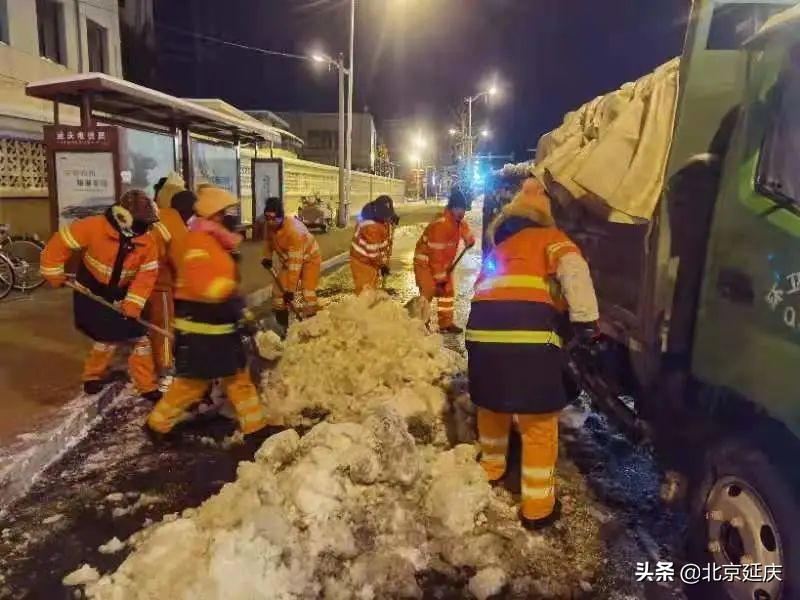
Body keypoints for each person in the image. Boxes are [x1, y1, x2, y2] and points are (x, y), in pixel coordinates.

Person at [465, 177, 599, 529]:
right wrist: (585, 321)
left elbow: (481, 291)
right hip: (528, 339)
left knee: (492, 407)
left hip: (480, 337)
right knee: (537, 421)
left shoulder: (498, 250)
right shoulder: (550, 238)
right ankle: (537, 507)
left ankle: (491, 467)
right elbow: (574, 270)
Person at [146, 186, 270, 438]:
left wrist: (239, 310)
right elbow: (207, 288)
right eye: (225, 213)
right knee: (191, 385)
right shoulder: (199, 243)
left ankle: (256, 430)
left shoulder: (213, 241)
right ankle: (156, 426)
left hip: (218, 327)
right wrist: (234, 303)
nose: (230, 217)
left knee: (237, 378)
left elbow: (225, 283)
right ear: (214, 215)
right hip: (203, 330)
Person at [40, 190, 162, 400]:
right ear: (124, 218)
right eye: (143, 224)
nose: (146, 229)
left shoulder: (148, 242)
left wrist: (133, 303)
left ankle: (147, 386)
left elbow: (146, 276)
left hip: (123, 291)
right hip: (92, 289)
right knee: (104, 338)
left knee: (140, 339)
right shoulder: (94, 227)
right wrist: (53, 272)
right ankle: (92, 376)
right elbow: (60, 243)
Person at [145, 190, 195, 387]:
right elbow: (182, 265)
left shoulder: (159, 216)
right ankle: (165, 368)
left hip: (139, 281)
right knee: (164, 327)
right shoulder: (176, 226)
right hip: (158, 283)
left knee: (147, 326)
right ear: (187, 211)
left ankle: (150, 362)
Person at [414, 188, 475, 333]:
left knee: (447, 291)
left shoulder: (458, 221)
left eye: (464, 209)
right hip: (425, 262)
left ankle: (446, 323)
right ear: (452, 208)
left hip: (442, 263)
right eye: (459, 209)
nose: (462, 212)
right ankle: (422, 322)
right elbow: (436, 256)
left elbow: (465, 231)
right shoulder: (441, 225)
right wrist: (440, 280)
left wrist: (469, 239)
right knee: (428, 290)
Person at [261, 196, 321, 328]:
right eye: (267, 218)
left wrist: (290, 290)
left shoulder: (294, 232)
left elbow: (295, 265)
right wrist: (267, 257)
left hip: (310, 258)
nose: (270, 222)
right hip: (290, 260)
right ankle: (285, 328)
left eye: (273, 218)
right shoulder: (270, 226)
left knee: (308, 292)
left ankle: (312, 325)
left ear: (281, 216)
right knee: (278, 293)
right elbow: (268, 241)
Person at [350, 195, 398, 293]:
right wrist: (382, 266)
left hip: (371, 262)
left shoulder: (377, 215)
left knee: (372, 288)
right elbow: (373, 253)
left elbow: (384, 228)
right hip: (362, 262)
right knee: (365, 292)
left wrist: (392, 218)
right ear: (380, 214)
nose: (387, 218)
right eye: (387, 216)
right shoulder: (371, 227)